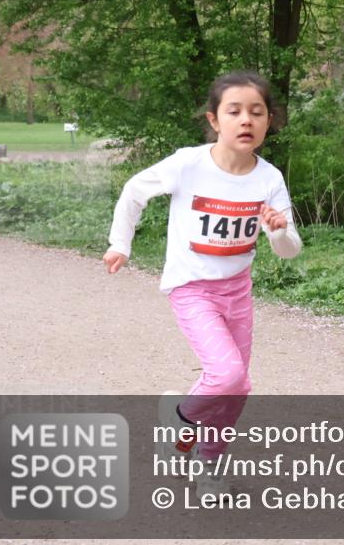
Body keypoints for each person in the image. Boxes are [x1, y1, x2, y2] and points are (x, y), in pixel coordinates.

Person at [103, 70, 302, 497]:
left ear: (269, 122)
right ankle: (177, 416)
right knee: (227, 373)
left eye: (257, 112)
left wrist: (278, 231)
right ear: (215, 120)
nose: (246, 120)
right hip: (192, 287)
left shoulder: (269, 180)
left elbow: (289, 249)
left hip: (238, 291)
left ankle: (208, 463)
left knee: (238, 386)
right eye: (235, 111)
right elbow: (134, 192)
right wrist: (121, 243)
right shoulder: (188, 164)